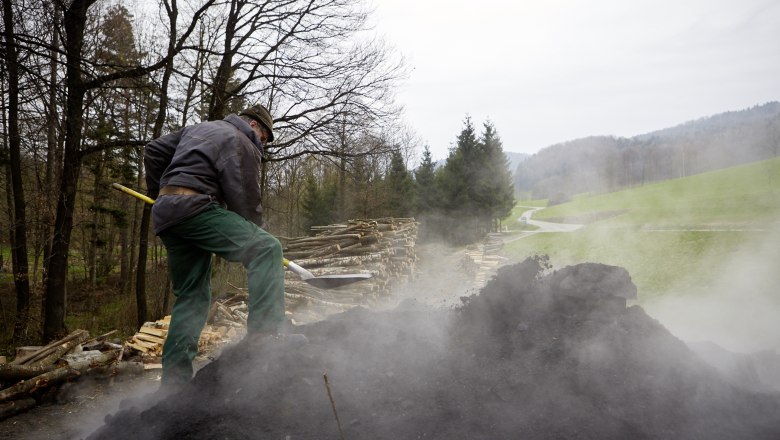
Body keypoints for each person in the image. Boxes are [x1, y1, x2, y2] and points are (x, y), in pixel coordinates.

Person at [144, 104, 287, 388]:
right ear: (255, 126)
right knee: (267, 248)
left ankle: (174, 383)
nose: (263, 145)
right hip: (196, 209)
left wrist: (160, 192)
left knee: (192, 297)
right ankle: (265, 340)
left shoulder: (198, 128)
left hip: (168, 214)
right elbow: (245, 199)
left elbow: (154, 150)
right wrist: (253, 232)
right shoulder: (242, 140)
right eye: (265, 139)